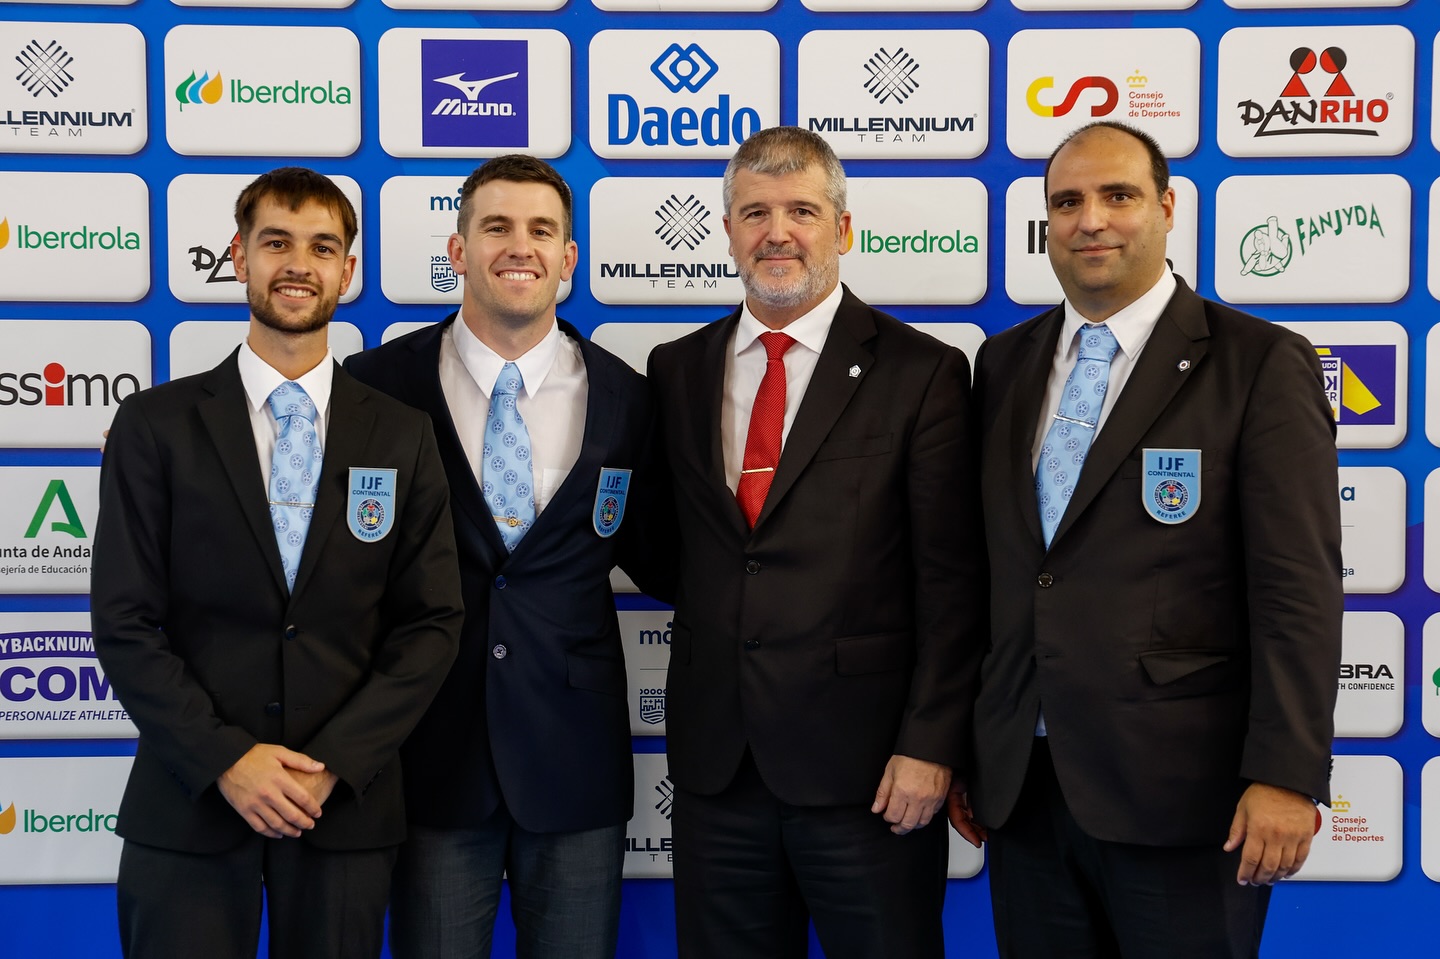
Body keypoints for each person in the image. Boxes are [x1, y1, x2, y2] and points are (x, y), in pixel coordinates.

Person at [956, 121, 1343, 958]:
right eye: (1068, 202)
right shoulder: (1004, 364)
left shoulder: (1258, 363)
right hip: (1023, 788)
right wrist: (965, 747)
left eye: (1118, 195)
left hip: (1185, 794)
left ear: (1167, 208)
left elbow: (1298, 591)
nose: (1090, 220)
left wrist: (1285, 774)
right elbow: (999, 572)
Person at [91, 167, 464, 958]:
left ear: (347, 270)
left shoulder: (402, 434)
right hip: (188, 800)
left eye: (322, 247)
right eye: (276, 242)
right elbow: (125, 619)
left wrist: (333, 763)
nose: (299, 264)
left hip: (342, 808)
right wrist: (226, 758)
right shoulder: (155, 425)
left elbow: (431, 622)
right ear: (239, 257)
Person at [645, 125, 985, 959]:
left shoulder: (921, 371)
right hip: (718, 770)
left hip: (870, 773)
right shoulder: (676, 369)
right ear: (728, 230)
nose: (778, 232)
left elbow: (952, 581)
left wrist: (929, 743)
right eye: (755, 212)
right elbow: (669, 547)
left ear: (844, 228)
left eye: (801, 210)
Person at [345, 154, 654, 959]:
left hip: (575, 761)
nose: (521, 246)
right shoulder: (374, 385)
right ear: (458, 250)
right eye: (497, 227)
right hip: (431, 758)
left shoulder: (629, 396)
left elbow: (666, 549)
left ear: (568, 257)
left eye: (541, 230)